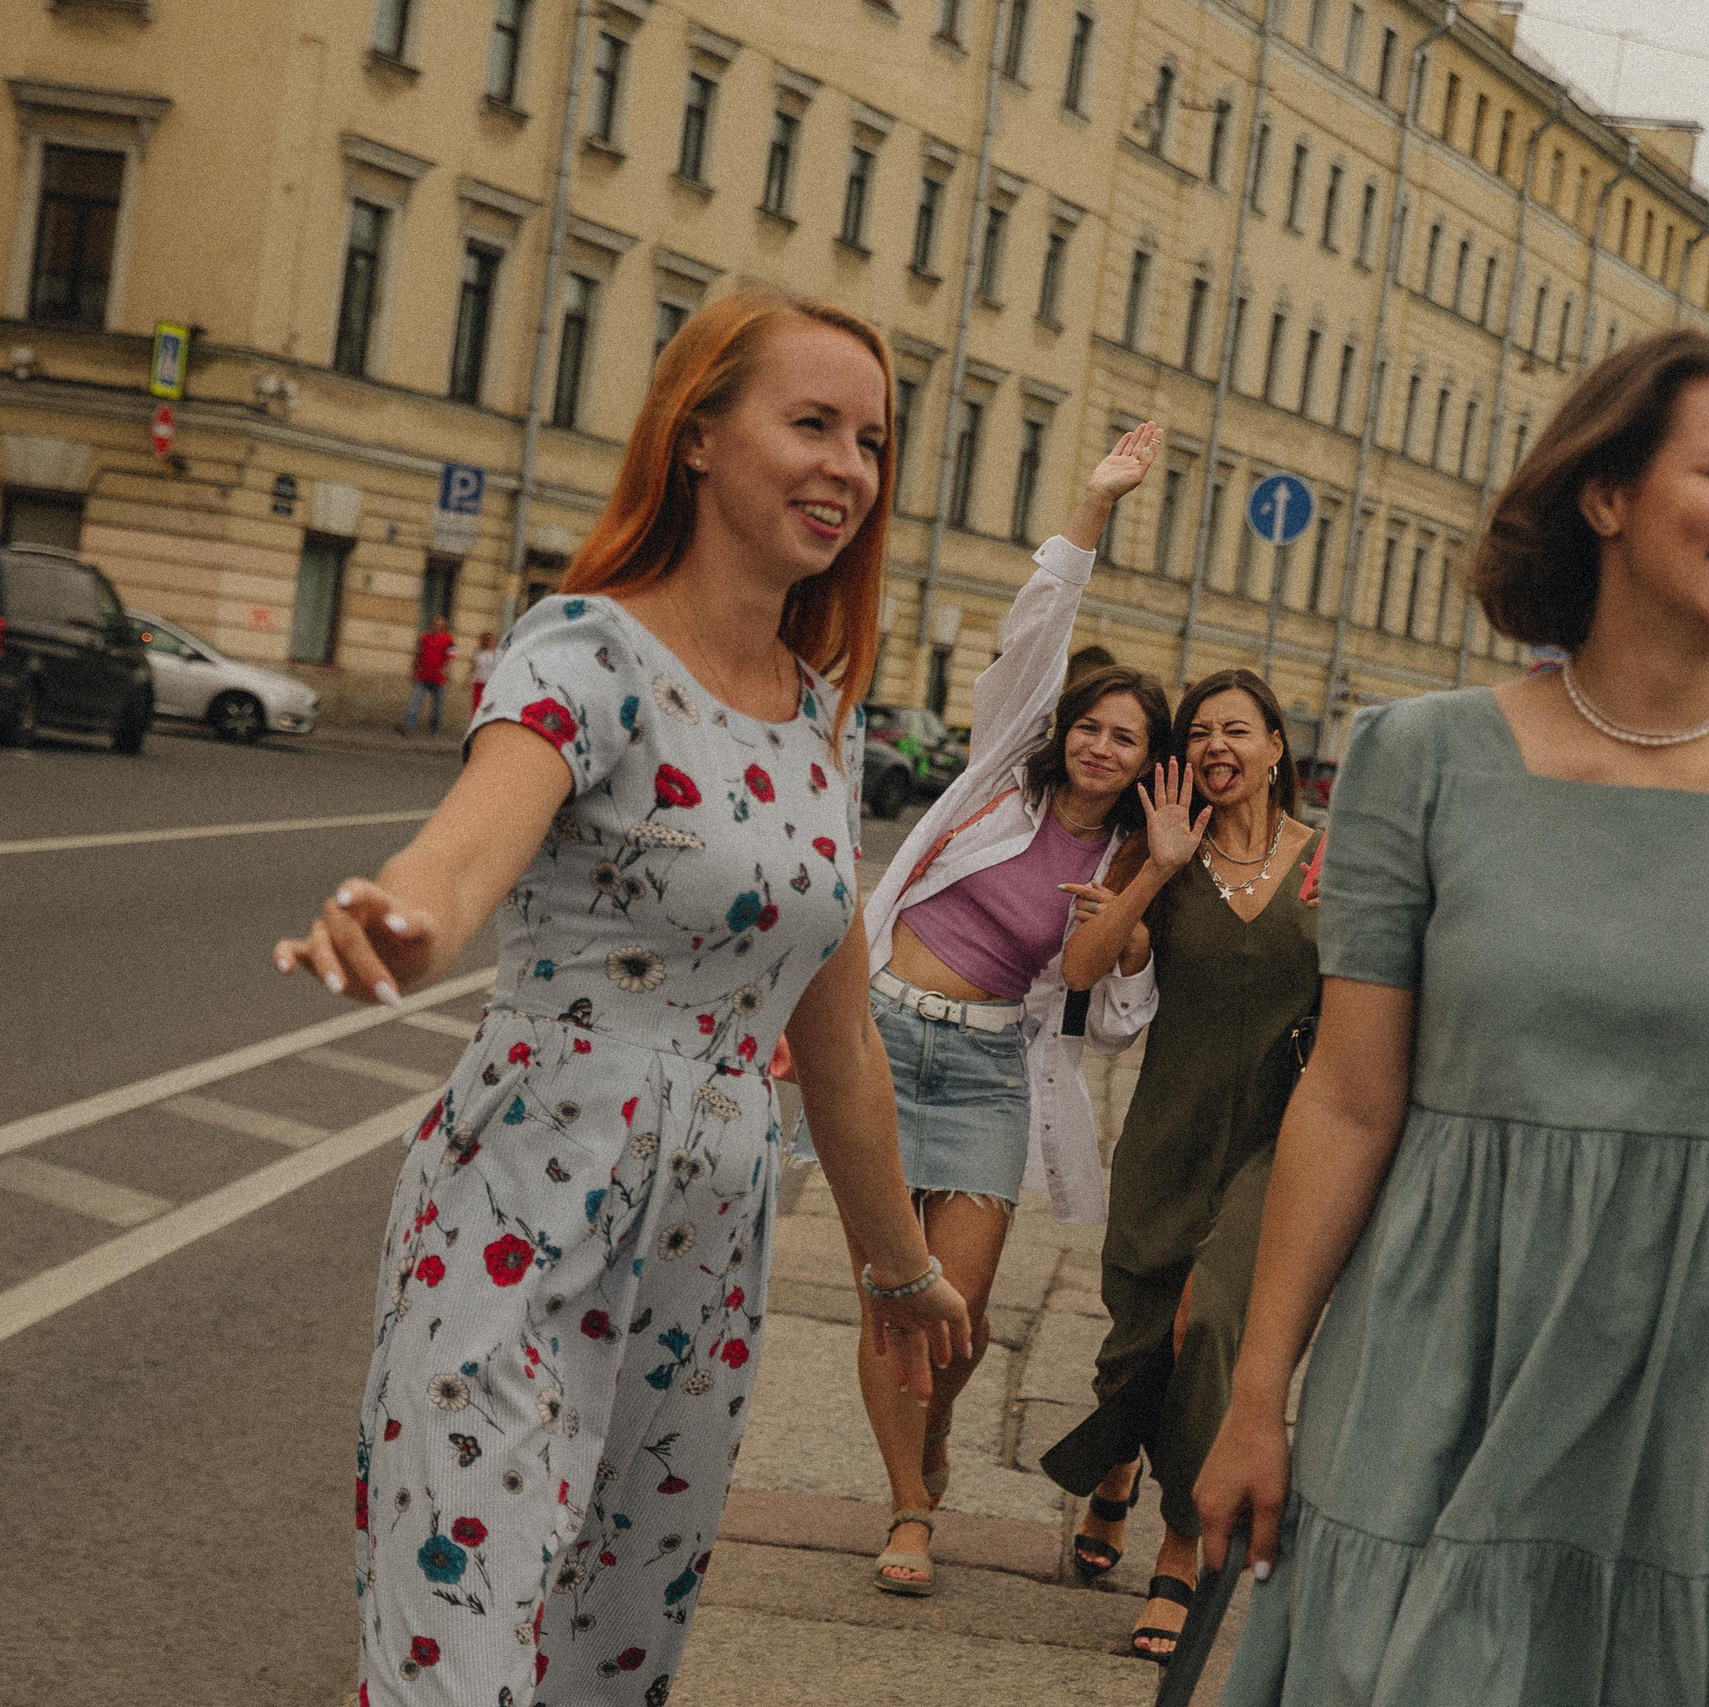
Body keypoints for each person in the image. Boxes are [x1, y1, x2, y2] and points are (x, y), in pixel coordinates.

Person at [1192, 328, 1709, 1701]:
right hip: (1436, 1350)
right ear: (1606, 493)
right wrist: (1256, 1397)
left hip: (1698, 1396)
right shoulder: (1421, 760)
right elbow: (1347, 1099)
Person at [272, 287, 971, 1706]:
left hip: (705, 1259)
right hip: (523, 1212)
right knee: (460, 1660)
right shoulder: (587, 653)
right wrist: (405, 923)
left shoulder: (818, 721)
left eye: (872, 441)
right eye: (812, 423)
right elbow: (467, 847)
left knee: (606, 1660)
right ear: (697, 434)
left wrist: (899, 1267)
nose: (848, 467)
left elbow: (837, 1038)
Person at [845, 423, 1179, 1596]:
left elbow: (1114, 1014)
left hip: (988, 1072)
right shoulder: (999, 776)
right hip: (884, 1042)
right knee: (893, 1299)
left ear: (1146, 762)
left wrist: (1137, 903)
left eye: (1125, 738)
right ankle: (910, 1508)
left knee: (964, 1310)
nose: (1099, 745)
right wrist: (1094, 506)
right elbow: (1036, 634)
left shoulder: (1125, 863)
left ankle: (931, 1429)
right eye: (1089, 725)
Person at [1042, 668, 1321, 1662]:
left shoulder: (1331, 863)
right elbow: (1081, 969)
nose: (1215, 746)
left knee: (1210, 1331)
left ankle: (1177, 1543)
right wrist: (1156, 871)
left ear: (1277, 747)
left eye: (1236, 730)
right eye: (1199, 732)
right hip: (1168, 1131)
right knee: (1136, 1341)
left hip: (1278, 1144)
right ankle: (1114, 1461)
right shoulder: (1162, 848)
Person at [402, 616, 457, 736]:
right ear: (432, 625)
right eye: (435, 624)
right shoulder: (424, 637)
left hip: (438, 677)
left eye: (439, 625)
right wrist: (413, 671)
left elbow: (452, 655)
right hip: (423, 676)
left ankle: (435, 729)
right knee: (415, 702)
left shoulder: (449, 639)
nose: (436, 627)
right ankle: (407, 726)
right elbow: (417, 654)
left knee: (437, 706)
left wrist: (446, 670)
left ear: (443, 627)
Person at [468, 630, 498, 714]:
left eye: (490, 639)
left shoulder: (496, 654)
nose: (488, 641)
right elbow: (473, 666)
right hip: (479, 682)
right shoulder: (478, 652)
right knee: (477, 705)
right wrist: (468, 677)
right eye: (486, 639)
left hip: (490, 684)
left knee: (488, 707)